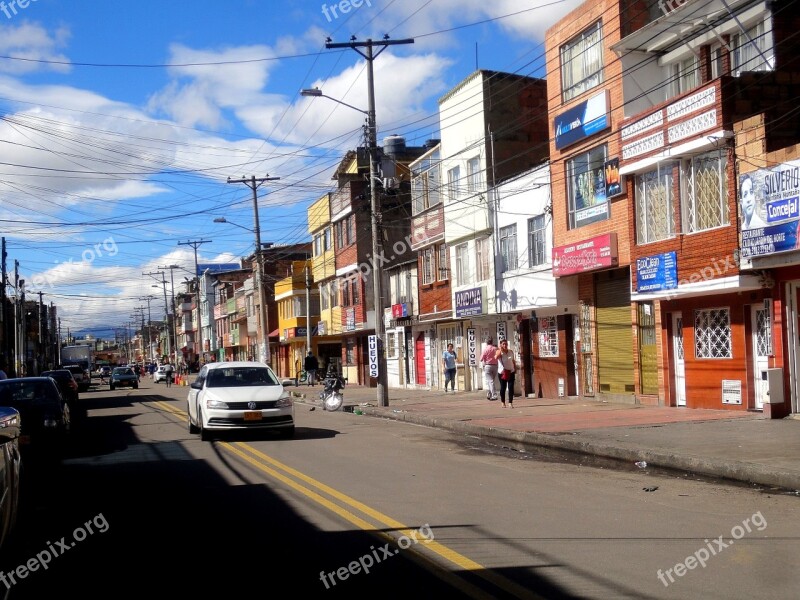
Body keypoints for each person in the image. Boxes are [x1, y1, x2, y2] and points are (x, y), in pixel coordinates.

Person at [495, 338, 516, 408]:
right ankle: (503, 402)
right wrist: (500, 350)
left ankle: (510, 402)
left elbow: (513, 361)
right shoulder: (499, 352)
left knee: (511, 387)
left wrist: (515, 368)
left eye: (506, 344)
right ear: (501, 345)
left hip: (511, 371)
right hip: (502, 372)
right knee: (503, 388)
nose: (505, 345)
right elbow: (496, 357)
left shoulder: (510, 352)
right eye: (503, 344)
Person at [480, 336, 499, 401]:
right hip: (495, 365)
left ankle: (494, 395)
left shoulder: (485, 349)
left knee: (490, 381)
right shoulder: (495, 349)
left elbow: (481, 359)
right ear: (492, 342)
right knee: (491, 381)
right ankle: (489, 393)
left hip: (488, 365)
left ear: (486, 342)